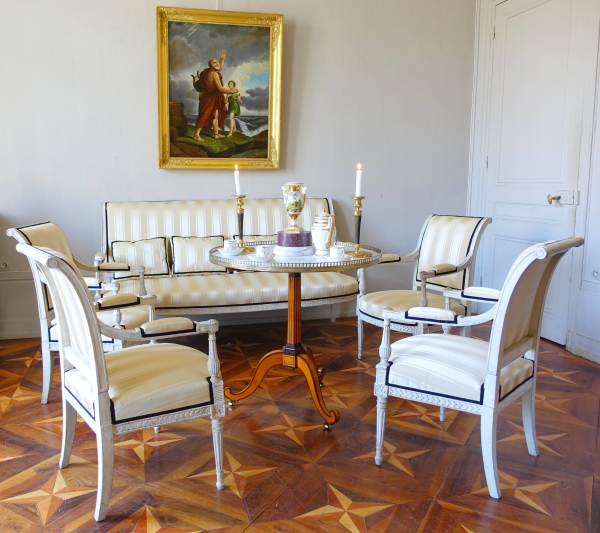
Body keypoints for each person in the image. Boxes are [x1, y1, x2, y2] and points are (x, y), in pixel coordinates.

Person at [191, 50, 235, 142]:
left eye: (216, 62)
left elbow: (219, 68)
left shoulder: (209, 71)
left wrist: (222, 59)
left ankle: (216, 134)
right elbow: (220, 89)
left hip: (212, 97)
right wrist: (231, 91)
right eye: (214, 62)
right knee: (204, 115)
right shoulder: (214, 74)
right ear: (211, 65)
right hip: (209, 98)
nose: (217, 63)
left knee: (216, 114)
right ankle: (196, 135)